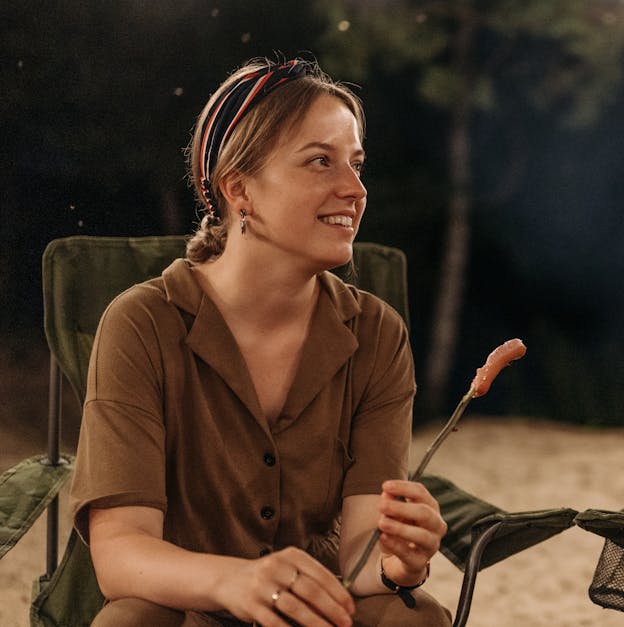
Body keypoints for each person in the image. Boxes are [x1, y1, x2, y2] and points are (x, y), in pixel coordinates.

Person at [69, 58, 452, 626]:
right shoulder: (142, 325)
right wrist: (235, 582)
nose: (354, 189)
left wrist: (398, 565)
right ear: (239, 188)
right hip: (187, 606)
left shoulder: (376, 333)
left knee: (416, 615)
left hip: (319, 610)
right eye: (320, 161)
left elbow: (361, 554)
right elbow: (122, 552)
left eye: (356, 164)